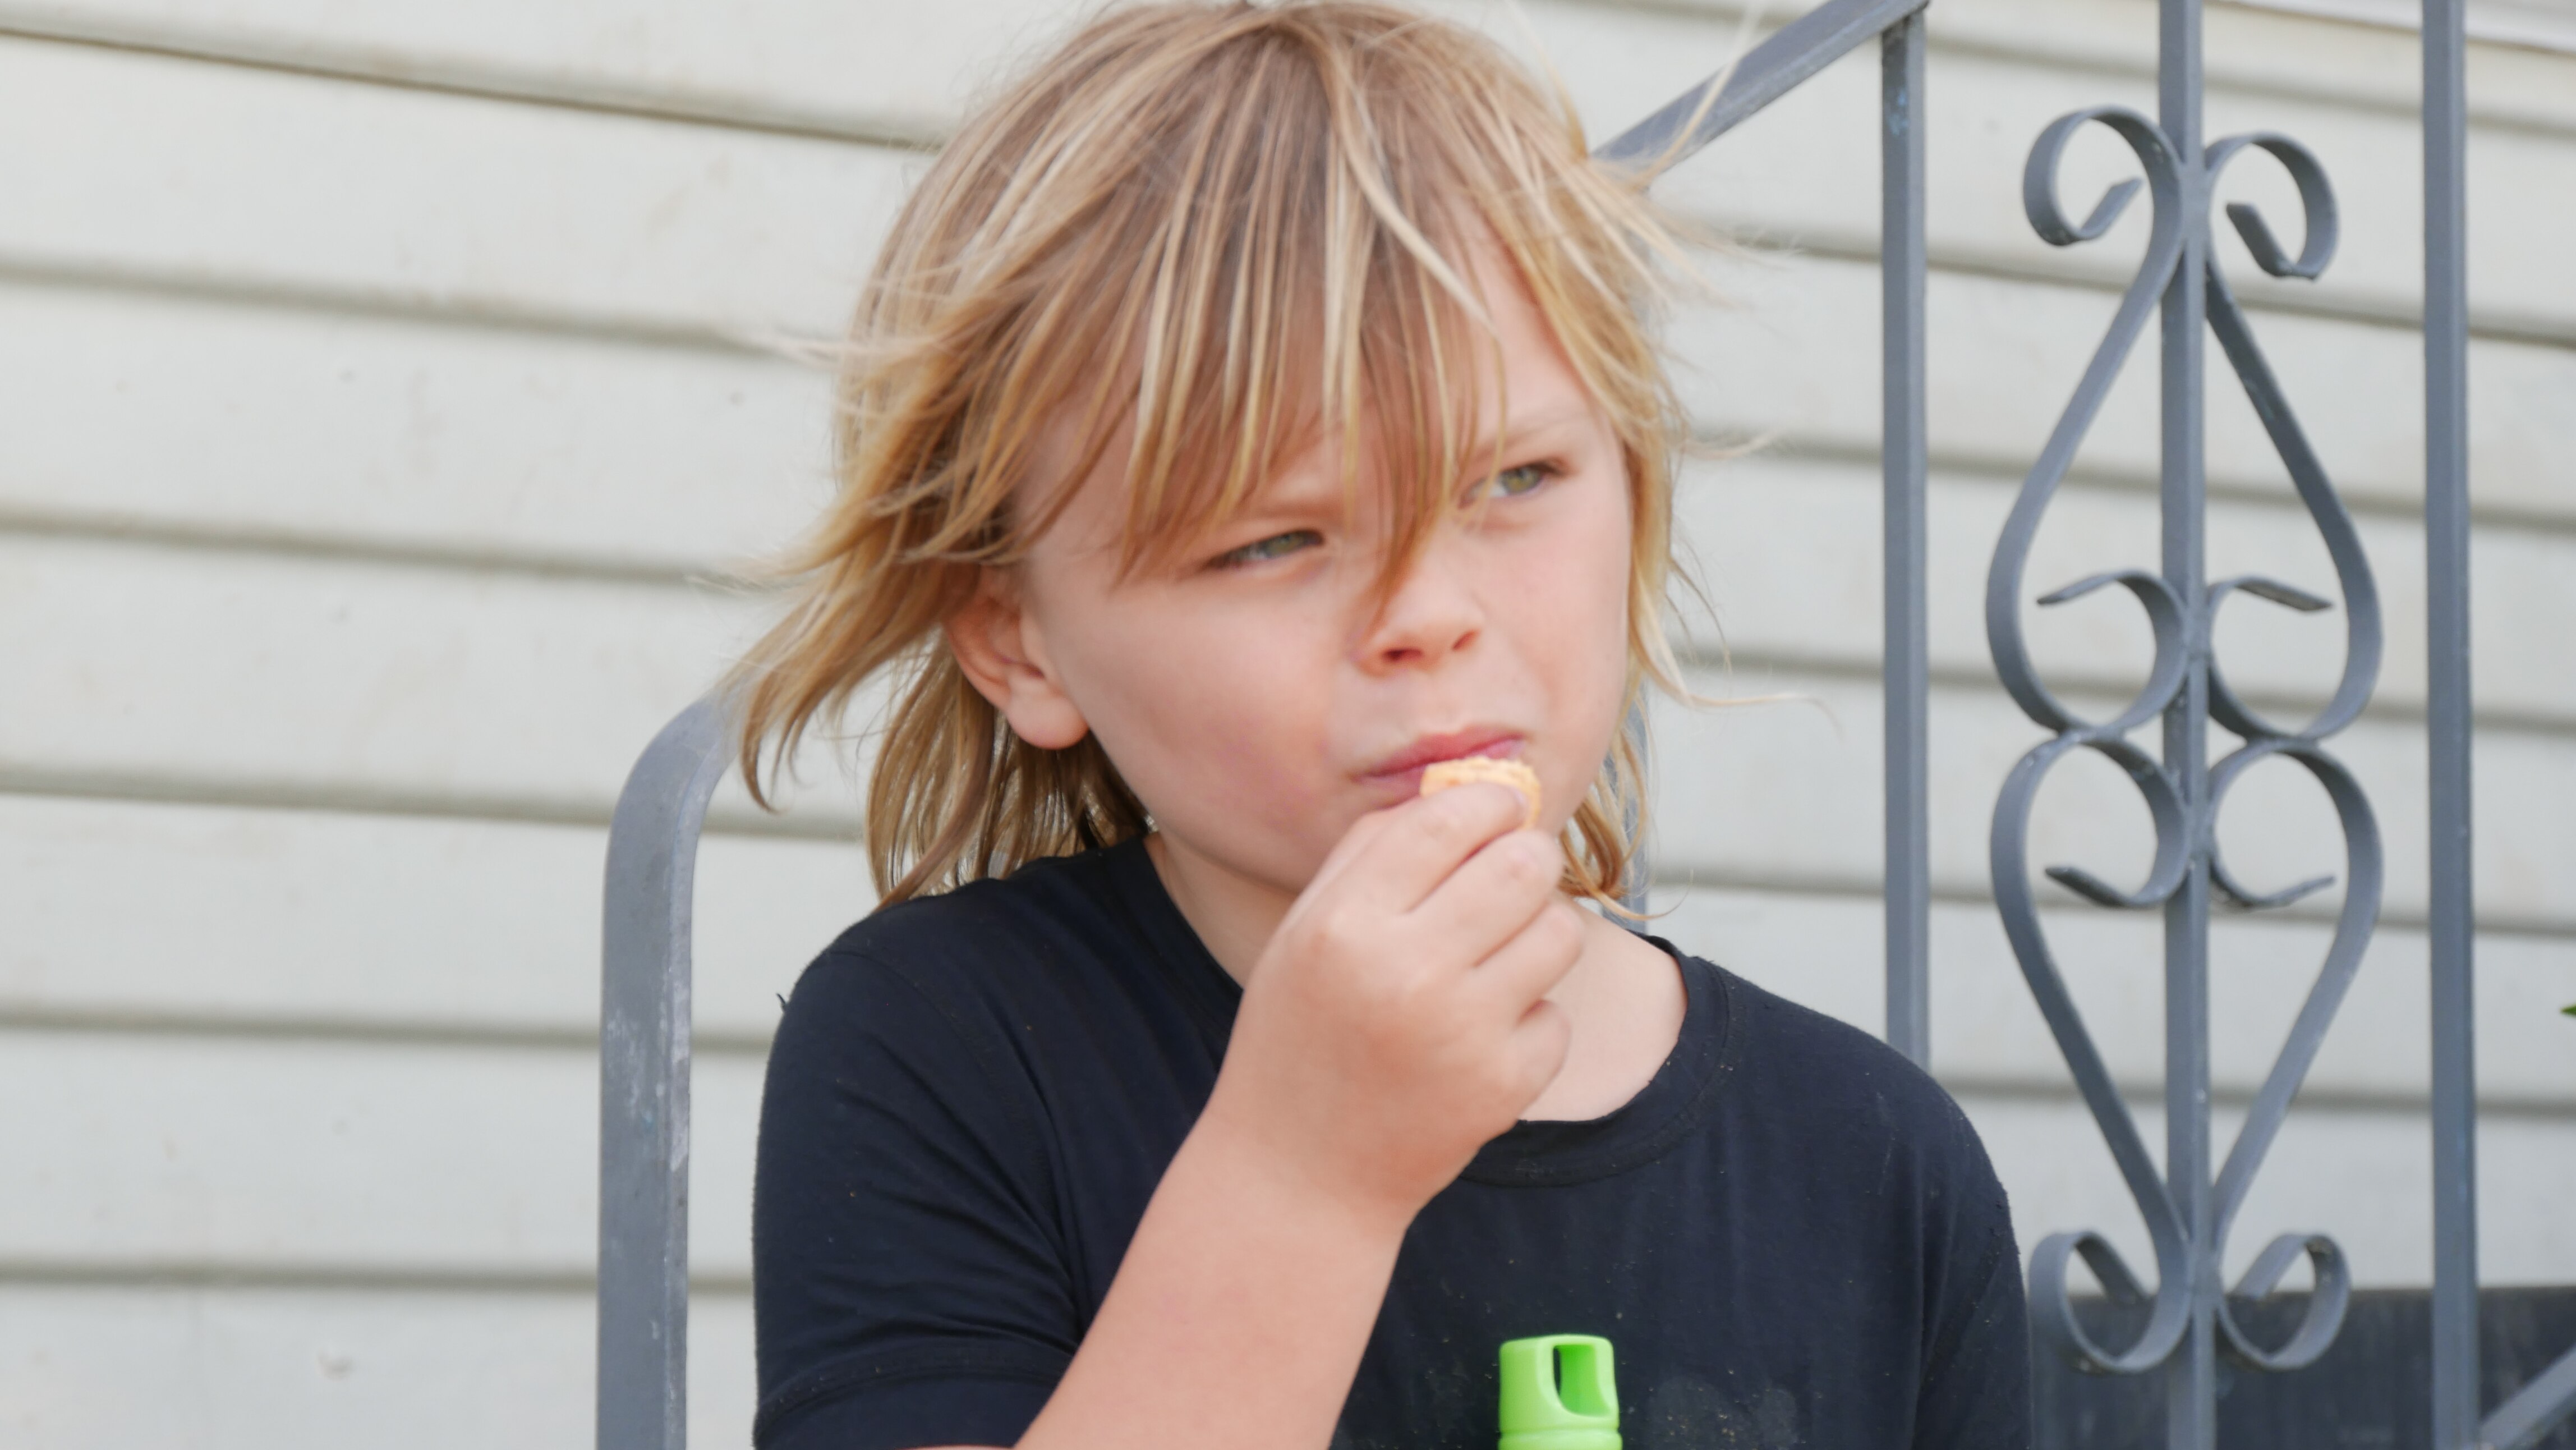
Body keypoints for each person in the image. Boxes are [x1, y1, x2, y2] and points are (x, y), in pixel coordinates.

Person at [735, 4, 2030, 1448]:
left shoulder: (1870, 1159)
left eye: (1516, 478)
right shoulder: (945, 1049)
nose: (1427, 609)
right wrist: (1306, 1173)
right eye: (1274, 540)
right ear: (1015, 638)